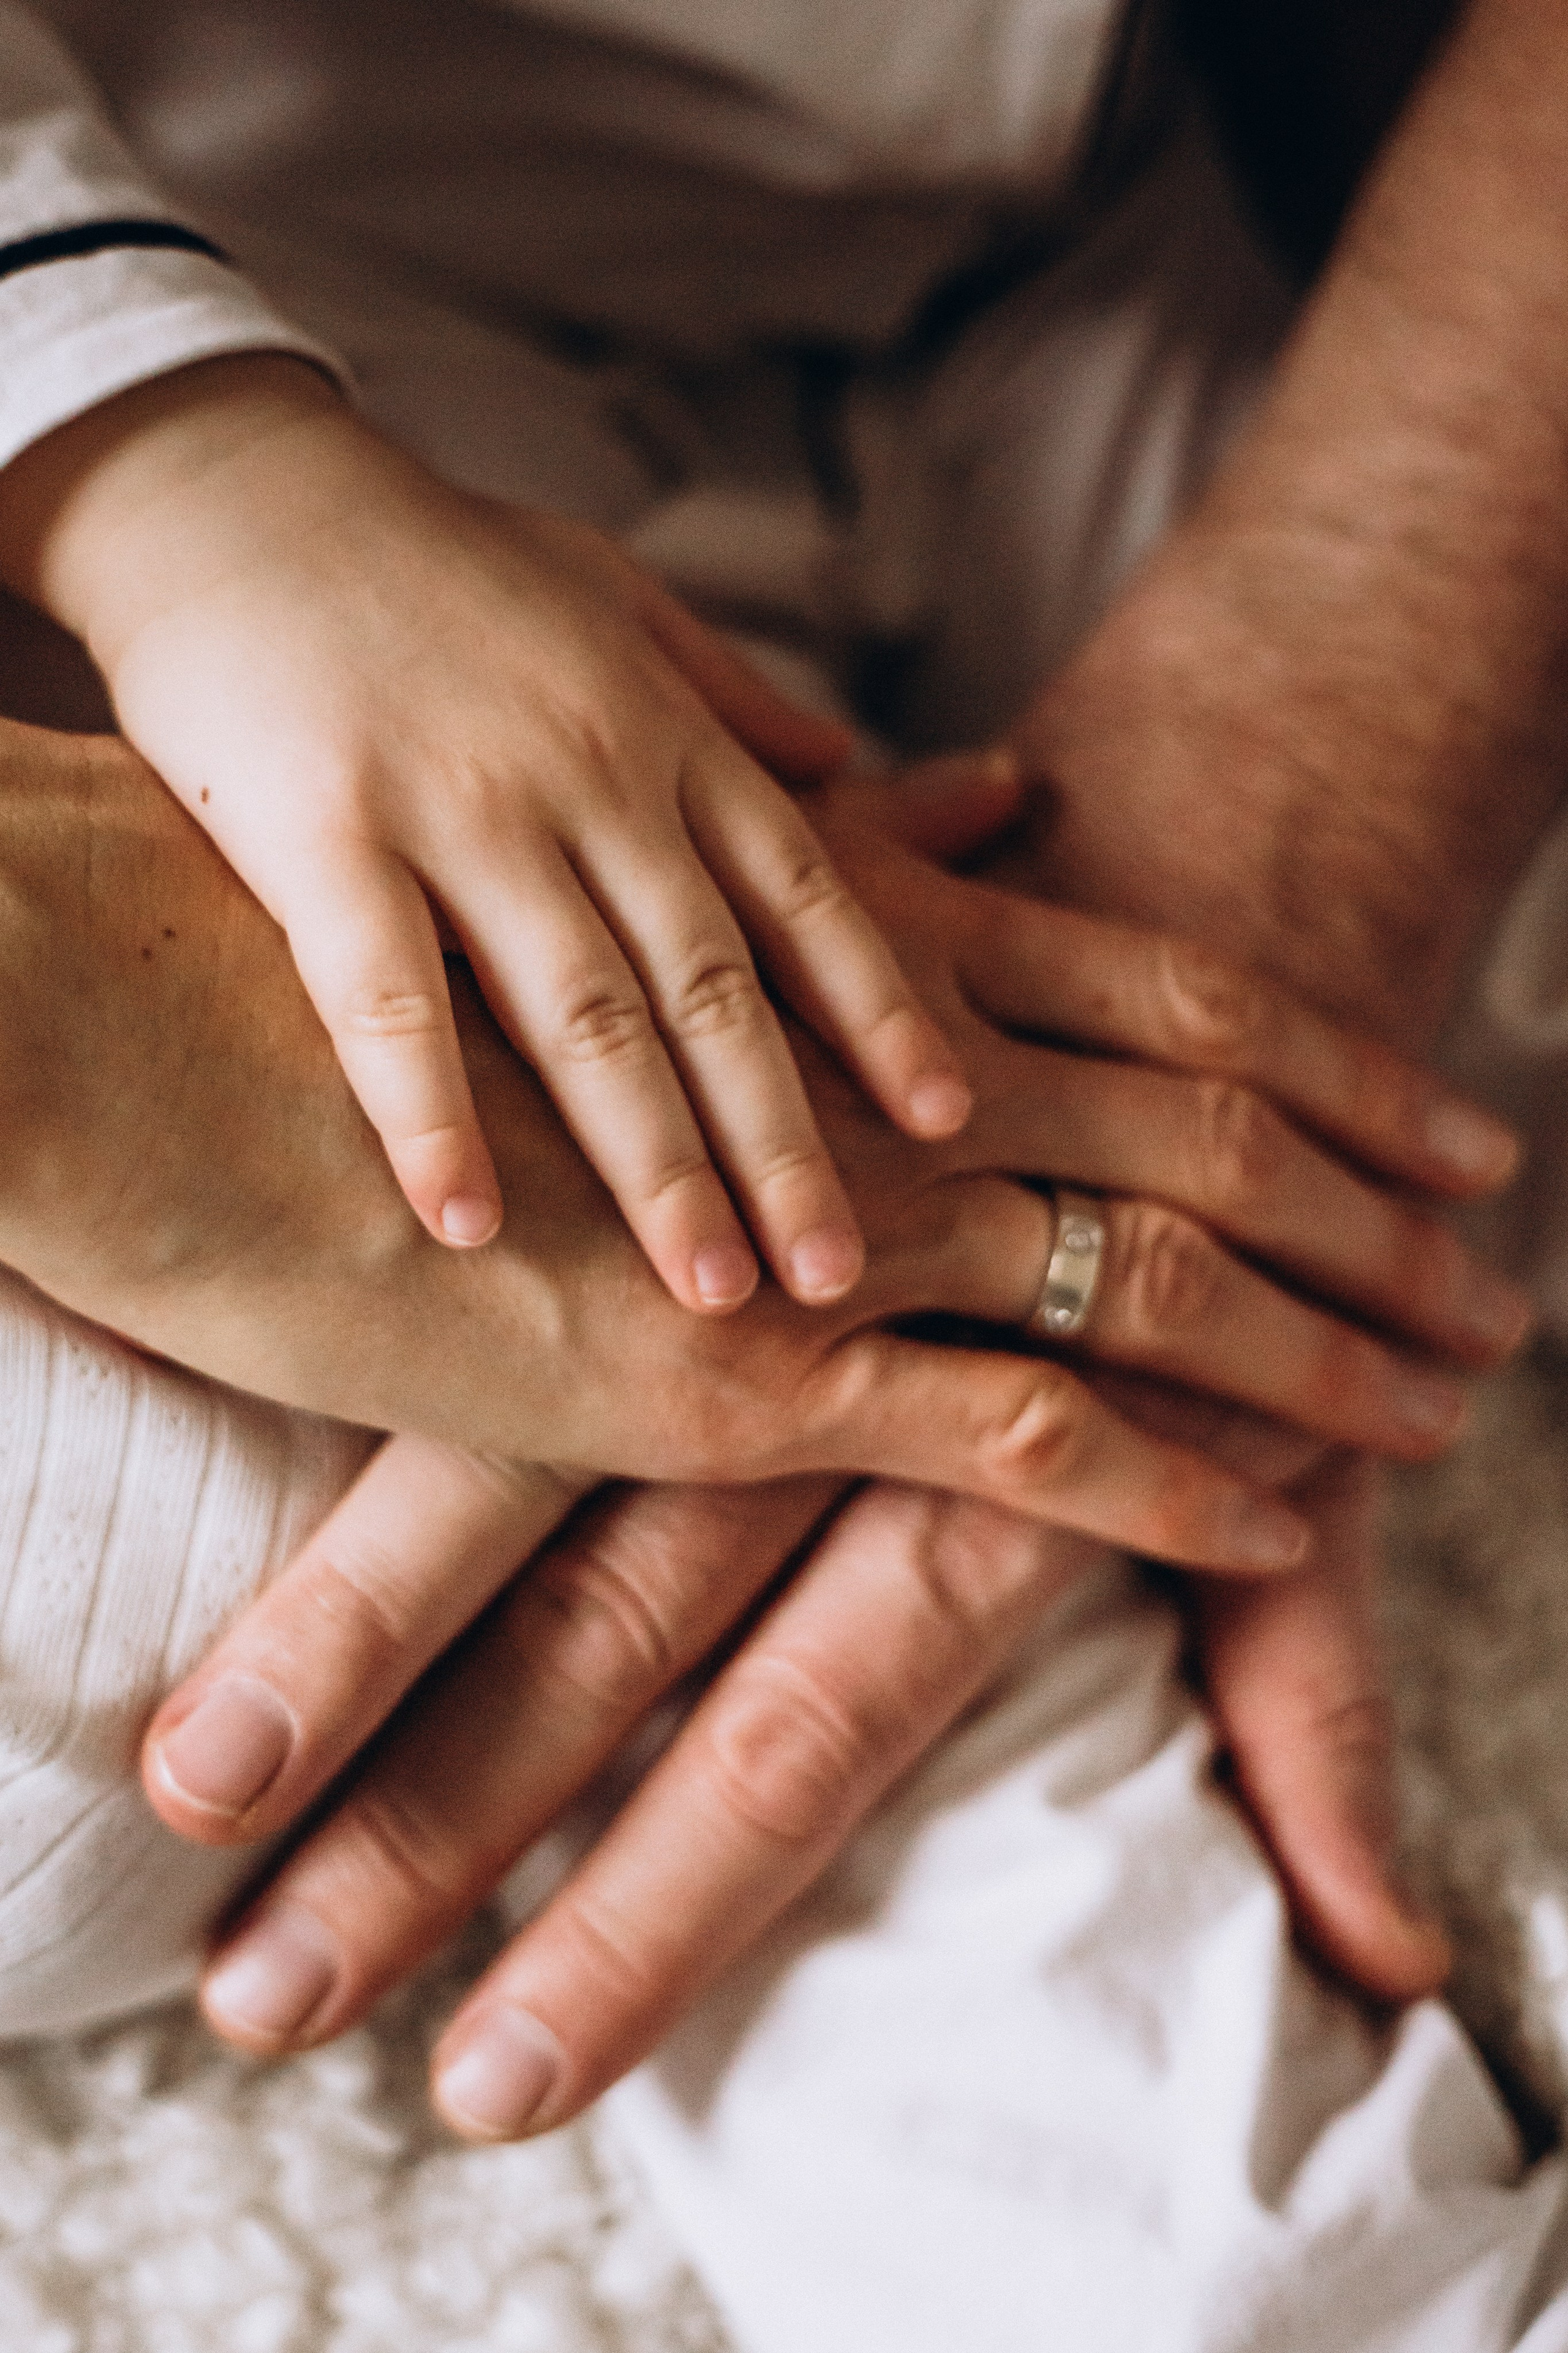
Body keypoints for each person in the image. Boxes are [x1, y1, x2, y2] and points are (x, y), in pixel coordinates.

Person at [2, 0, 1568, 2344]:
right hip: (237, 227)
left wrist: (1335, 725)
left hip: (1264, 191)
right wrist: (143, 434)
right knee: (169, 1639)